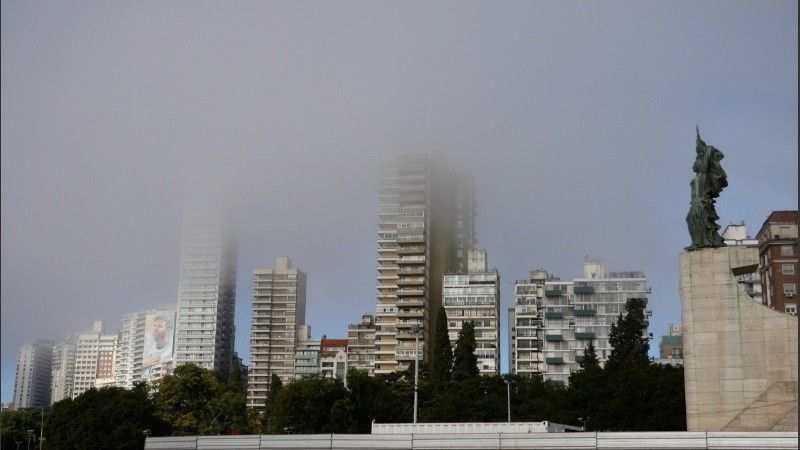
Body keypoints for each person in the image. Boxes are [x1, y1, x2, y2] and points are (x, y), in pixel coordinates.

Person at [685, 126, 727, 250]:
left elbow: (707, 158)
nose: (693, 165)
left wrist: (704, 147)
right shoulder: (697, 177)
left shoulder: (703, 175)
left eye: (695, 162)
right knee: (691, 220)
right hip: (696, 203)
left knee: (690, 219)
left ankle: (699, 242)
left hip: (701, 203)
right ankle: (698, 242)